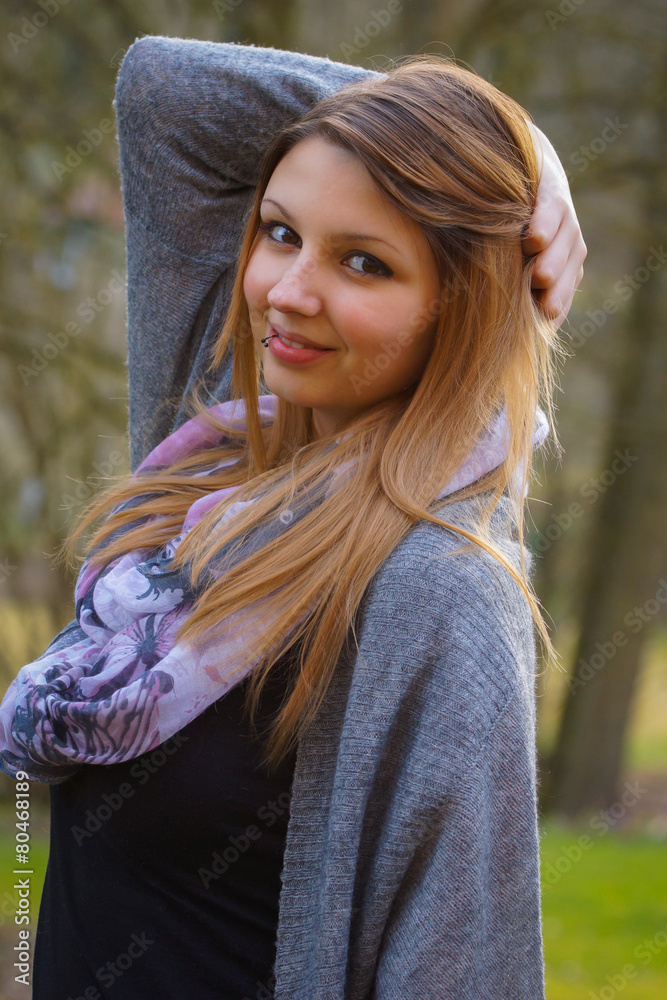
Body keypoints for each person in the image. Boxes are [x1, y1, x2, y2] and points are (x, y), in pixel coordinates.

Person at [0, 36, 586, 1000]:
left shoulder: (436, 590)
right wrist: (525, 153)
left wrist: (496, 177)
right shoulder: (211, 451)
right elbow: (163, 91)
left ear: (464, 303)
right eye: (279, 232)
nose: (287, 291)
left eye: (363, 263)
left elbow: (461, 971)